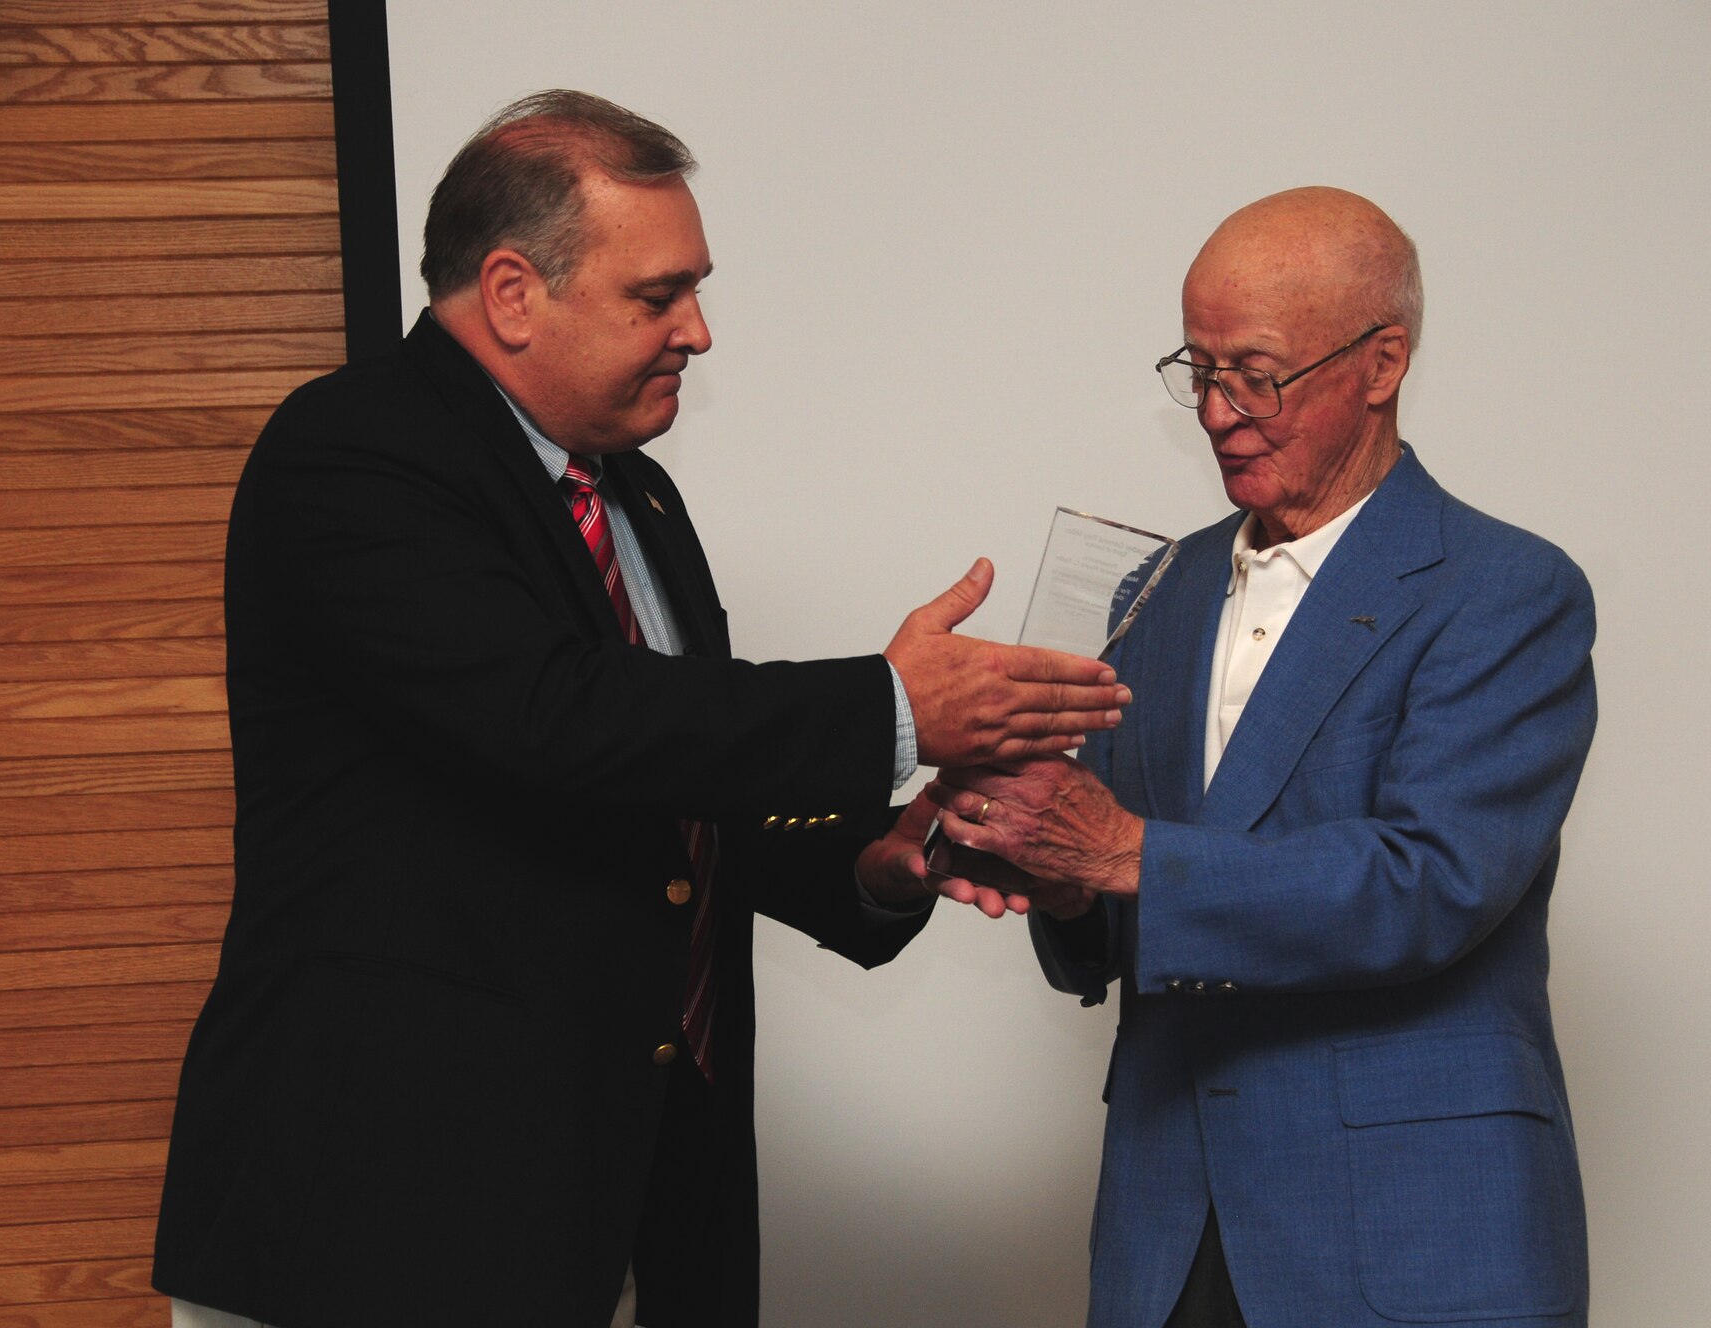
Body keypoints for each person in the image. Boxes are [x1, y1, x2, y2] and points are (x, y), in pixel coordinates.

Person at [151, 90, 1129, 1328]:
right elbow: (553, 717)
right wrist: (892, 703)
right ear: (511, 293)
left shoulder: (637, 500)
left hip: (624, 1203)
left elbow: (667, 791)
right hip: (389, 1215)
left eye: (696, 290)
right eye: (656, 296)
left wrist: (878, 860)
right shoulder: (352, 451)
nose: (698, 333)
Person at [930, 187, 1597, 1328]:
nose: (1218, 410)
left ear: (1380, 362)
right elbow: (1115, 893)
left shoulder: (1506, 590)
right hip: (1169, 1222)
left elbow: (1432, 882)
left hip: (1412, 1225)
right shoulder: (1158, 587)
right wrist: (1051, 870)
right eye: (1195, 371)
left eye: (1255, 371)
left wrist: (1126, 852)